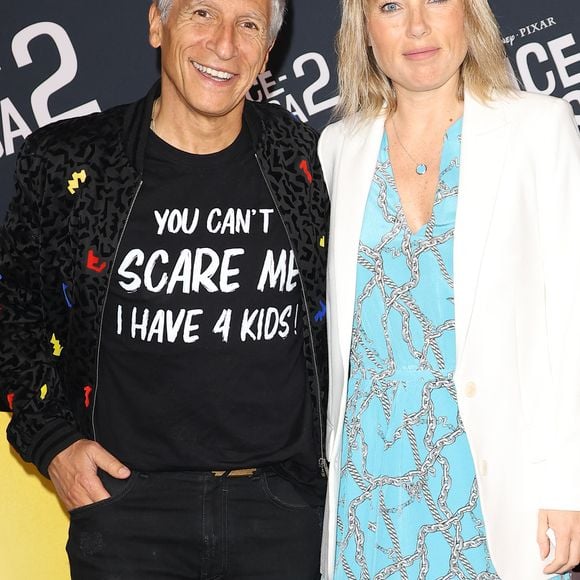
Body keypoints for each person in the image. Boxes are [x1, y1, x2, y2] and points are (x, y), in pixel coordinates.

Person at [0, 0, 330, 578]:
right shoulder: (71, 162)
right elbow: (13, 312)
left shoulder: (306, 160)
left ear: (267, 51)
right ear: (157, 23)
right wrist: (52, 440)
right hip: (127, 515)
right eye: (202, 14)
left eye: (248, 25)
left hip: (284, 515)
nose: (224, 44)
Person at [318, 0, 580, 578]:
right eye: (390, 6)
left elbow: (572, 316)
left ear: (471, 13)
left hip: (493, 486)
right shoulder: (339, 147)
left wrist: (568, 482)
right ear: (364, 29)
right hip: (370, 492)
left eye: (434, 0)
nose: (416, 26)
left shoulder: (539, 127)